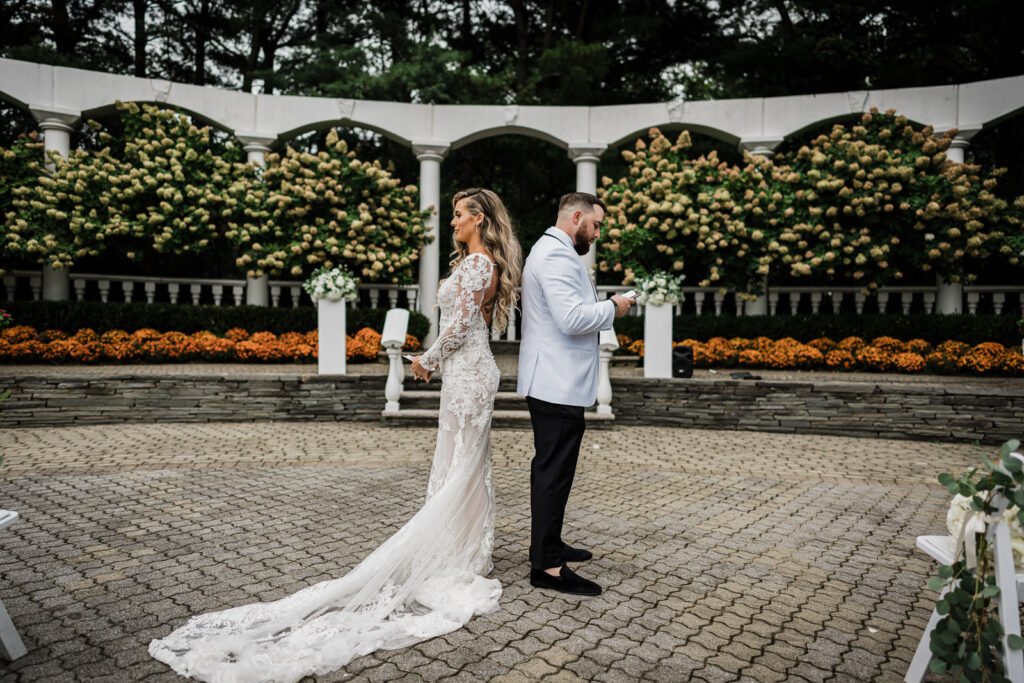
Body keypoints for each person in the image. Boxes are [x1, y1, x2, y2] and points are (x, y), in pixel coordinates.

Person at [149, 188, 523, 683]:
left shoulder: (478, 265)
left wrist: (427, 359)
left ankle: (461, 557)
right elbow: (458, 326)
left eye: (458, 215)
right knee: (462, 463)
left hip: (469, 372)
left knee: (465, 466)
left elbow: (458, 326)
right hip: (465, 372)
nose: (452, 222)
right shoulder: (475, 261)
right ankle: (463, 552)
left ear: (478, 219)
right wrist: (435, 361)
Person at [517, 192, 634, 596]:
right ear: (578, 217)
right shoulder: (554, 255)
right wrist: (614, 307)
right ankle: (546, 566)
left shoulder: (557, 251)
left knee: (557, 472)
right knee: (552, 473)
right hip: (554, 382)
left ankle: (549, 543)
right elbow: (570, 320)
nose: (597, 233)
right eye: (596, 225)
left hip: (558, 381)